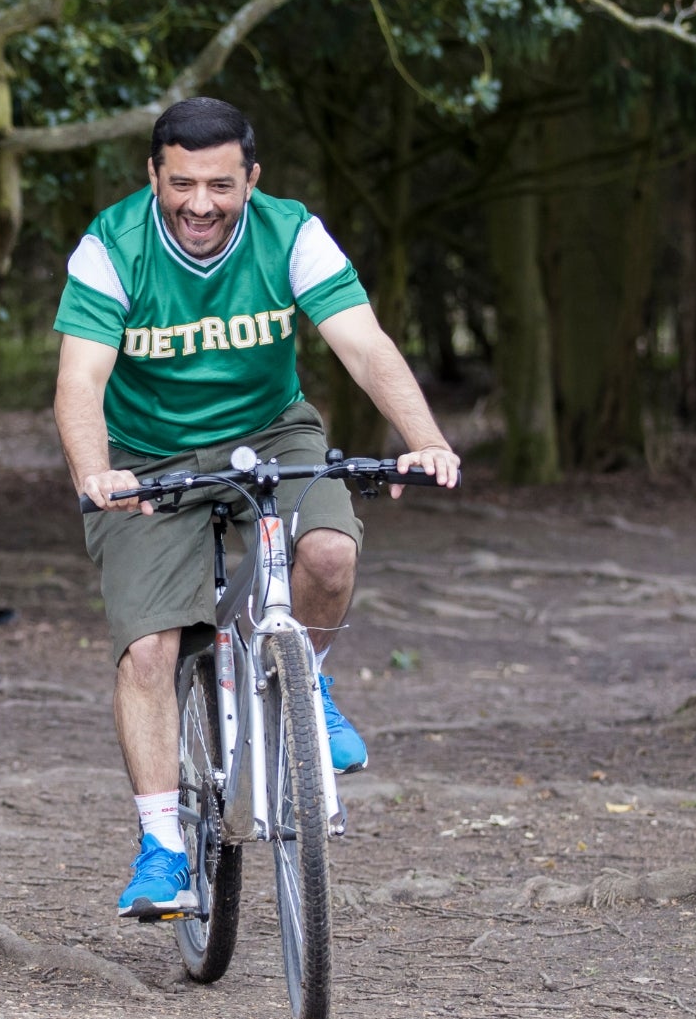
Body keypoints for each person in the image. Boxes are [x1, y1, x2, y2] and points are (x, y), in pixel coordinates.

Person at [55, 96, 459, 918]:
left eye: (220, 185)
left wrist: (426, 439)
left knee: (331, 555)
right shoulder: (111, 247)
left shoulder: (291, 233)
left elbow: (363, 344)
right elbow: (80, 380)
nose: (199, 204)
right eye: (181, 184)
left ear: (252, 179)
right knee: (148, 651)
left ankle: (304, 681)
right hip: (144, 457)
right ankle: (162, 846)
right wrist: (96, 472)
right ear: (153, 176)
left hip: (271, 434)